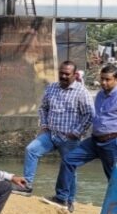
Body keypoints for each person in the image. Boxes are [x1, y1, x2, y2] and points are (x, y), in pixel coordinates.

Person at [44, 64, 117, 213]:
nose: (104, 83)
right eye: (102, 79)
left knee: (114, 178)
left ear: (116, 79)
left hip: (114, 141)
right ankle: (62, 198)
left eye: (108, 80)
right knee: (68, 160)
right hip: (95, 140)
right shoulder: (99, 95)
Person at [21, 60, 93, 195]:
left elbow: (89, 114)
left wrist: (77, 132)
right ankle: (26, 186)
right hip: (51, 134)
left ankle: (67, 199)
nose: (64, 76)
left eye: (67, 74)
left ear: (74, 75)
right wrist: (44, 125)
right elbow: (43, 108)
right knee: (31, 150)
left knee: (69, 166)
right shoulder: (52, 88)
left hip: (69, 138)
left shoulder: (82, 92)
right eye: (61, 73)